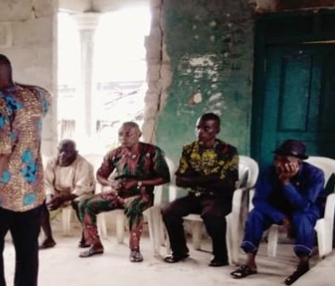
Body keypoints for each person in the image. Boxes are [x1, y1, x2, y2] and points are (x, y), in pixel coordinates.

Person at [0, 53, 51, 286]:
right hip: (32, 193)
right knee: (28, 254)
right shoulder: (37, 97)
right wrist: (11, 83)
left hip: (2, 196)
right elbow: (43, 92)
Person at [230, 140, 325, 285]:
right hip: (278, 208)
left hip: (306, 209)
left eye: (285, 160)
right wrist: (282, 219)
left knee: (302, 217)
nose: (278, 164)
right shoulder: (269, 172)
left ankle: (303, 265)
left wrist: (286, 183)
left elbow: (304, 205)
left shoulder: (315, 174)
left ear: (299, 161)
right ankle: (250, 263)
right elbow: (259, 200)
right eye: (277, 159)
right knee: (256, 214)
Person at [77, 122, 170, 262]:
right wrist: (111, 183)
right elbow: (100, 175)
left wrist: (138, 182)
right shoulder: (115, 154)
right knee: (84, 204)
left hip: (141, 194)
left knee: (134, 206)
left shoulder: (152, 152)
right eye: (121, 134)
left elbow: (164, 177)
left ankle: (135, 250)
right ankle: (95, 245)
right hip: (118, 193)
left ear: (139, 135)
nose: (124, 138)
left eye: (129, 134)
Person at [162, 112, 239, 267]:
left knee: (211, 214)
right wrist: (211, 179)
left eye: (206, 128)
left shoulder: (228, 151)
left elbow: (227, 183)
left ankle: (220, 255)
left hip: (219, 198)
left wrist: (195, 180)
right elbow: (180, 180)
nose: (200, 132)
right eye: (198, 128)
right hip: (195, 196)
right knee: (168, 211)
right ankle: (179, 250)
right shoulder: (189, 149)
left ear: (217, 130)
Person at [40, 139, 95, 250]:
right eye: (60, 151)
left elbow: (81, 188)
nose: (63, 155)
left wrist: (61, 199)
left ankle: (87, 235)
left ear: (75, 153)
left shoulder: (84, 164)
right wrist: (50, 198)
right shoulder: (51, 161)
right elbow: (47, 183)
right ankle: (48, 238)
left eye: (68, 152)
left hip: (79, 193)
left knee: (81, 204)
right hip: (58, 192)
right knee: (39, 203)